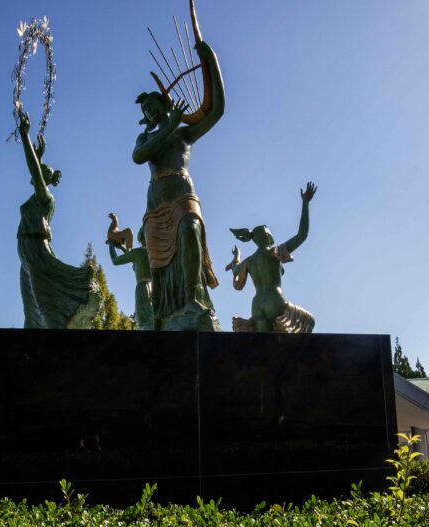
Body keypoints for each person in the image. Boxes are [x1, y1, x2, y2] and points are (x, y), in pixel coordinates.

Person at [132, 39, 225, 331]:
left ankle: (193, 297)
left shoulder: (185, 134)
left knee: (189, 230)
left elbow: (216, 111)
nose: (150, 112)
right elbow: (139, 157)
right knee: (159, 263)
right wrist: (168, 127)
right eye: (146, 110)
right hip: (156, 203)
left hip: (182, 193)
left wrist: (211, 61)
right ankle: (165, 313)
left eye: (152, 105)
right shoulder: (146, 138)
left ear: (165, 104)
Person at [16, 110, 101, 329]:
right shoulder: (36, 198)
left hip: (36, 249)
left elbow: (36, 172)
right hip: (26, 252)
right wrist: (39, 157)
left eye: (41, 170)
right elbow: (36, 173)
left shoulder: (46, 199)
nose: (37, 172)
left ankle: (55, 337)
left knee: (43, 298)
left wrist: (25, 136)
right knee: (30, 307)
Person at [226, 182, 318, 333]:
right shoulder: (274, 252)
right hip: (275, 301)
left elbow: (235, 269)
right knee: (309, 321)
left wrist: (237, 256)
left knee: (264, 344)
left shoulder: (249, 261)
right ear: (268, 236)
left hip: (256, 306)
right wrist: (305, 203)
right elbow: (302, 235)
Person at [105, 213, 153, 330]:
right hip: (153, 287)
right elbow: (133, 261)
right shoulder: (151, 252)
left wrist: (111, 245)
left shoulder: (138, 252)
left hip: (142, 288)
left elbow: (115, 261)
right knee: (151, 318)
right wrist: (122, 248)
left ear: (140, 237)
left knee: (145, 323)